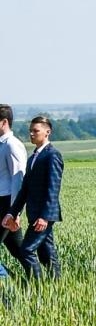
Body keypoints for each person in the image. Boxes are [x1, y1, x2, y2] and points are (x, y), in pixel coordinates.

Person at [2, 115, 64, 280]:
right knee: (46, 254)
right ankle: (56, 286)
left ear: (47, 132)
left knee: (27, 250)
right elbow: (24, 190)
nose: (31, 134)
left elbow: (53, 189)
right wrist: (12, 212)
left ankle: (37, 286)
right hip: (34, 214)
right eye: (30, 131)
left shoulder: (52, 155)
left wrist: (44, 216)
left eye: (35, 131)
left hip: (44, 215)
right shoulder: (33, 157)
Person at [0, 104, 26, 276]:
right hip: (3, 203)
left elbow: (18, 179)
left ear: (4, 122)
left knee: (20, 250)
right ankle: (37, 283)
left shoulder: (11, 145)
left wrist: (15, 212)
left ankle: (8, 288)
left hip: (6, 203)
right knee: (19, 250)